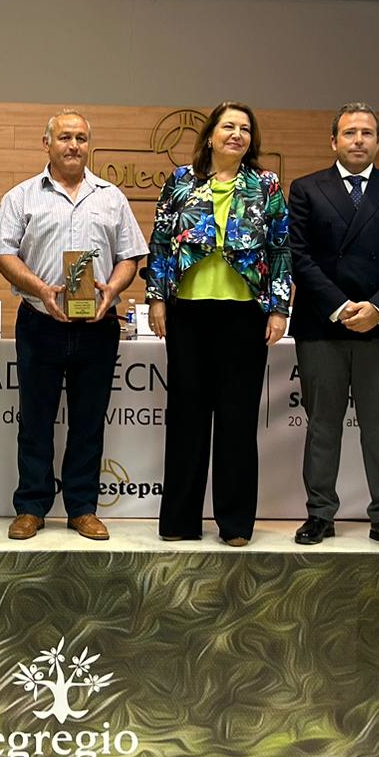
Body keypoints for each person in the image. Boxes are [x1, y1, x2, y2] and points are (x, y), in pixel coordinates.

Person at [0, 110, 148, 541]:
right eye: (64, 137)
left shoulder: (111, 197)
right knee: (35, 419)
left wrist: (112, 290)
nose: (73, 145)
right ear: (47, 143)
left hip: (98, 324)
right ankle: (31, 507)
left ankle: (82, 508)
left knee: (88, 419)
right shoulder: (22, 197)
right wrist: (40, 288)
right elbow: (3, 255)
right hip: (40, 323)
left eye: (80, 138)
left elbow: (131, 257)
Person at [144, 102, 291, 547]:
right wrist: (156, 299)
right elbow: (161, 242)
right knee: (186, 417)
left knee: (237, 419)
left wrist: (280, 308)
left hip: (244, 315)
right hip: (188, 312)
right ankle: (180, 522)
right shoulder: (181, 181)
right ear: (210, 135)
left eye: (245, 129)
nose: (237, 134)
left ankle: (235, 523)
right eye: (228, 126)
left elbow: (281, 249)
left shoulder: (265, 185)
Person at [287, 103, 379, 552]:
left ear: (378, 142)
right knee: (322, 425)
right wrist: (343, 306)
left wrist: (377, 307)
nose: (358, 140)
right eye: (349, 133)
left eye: (366, 133)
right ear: (334, 141)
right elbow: (299, 257)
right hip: (323, 324)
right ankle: (319, 514)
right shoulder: (306, 189)